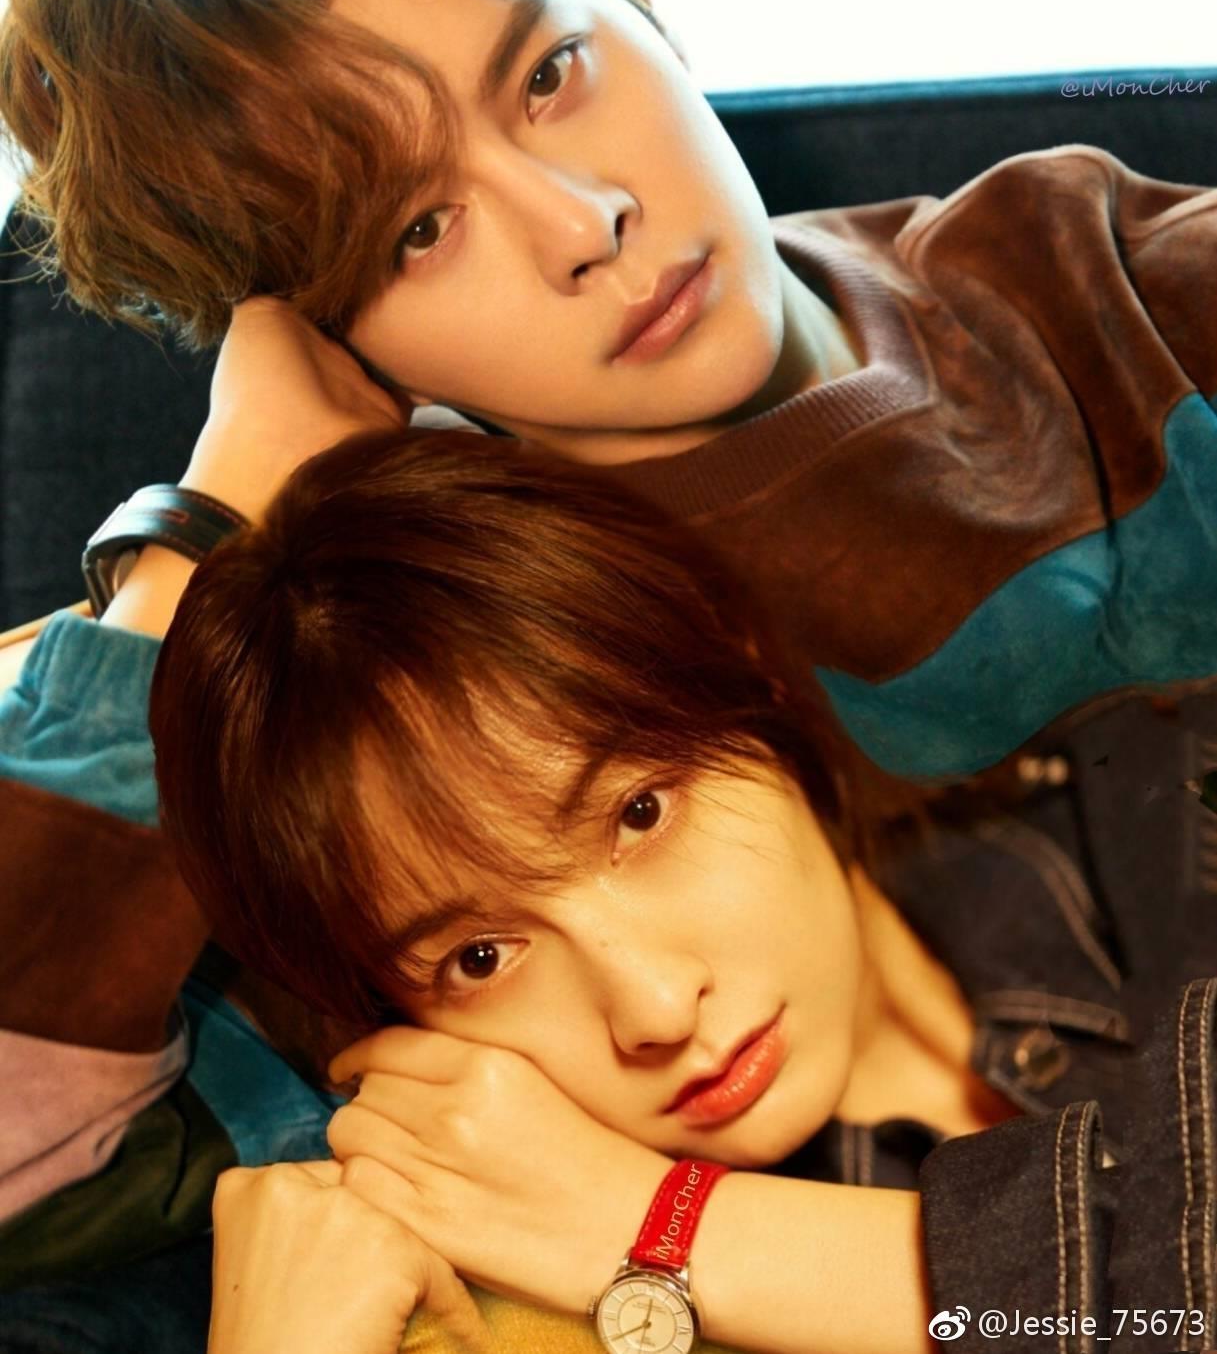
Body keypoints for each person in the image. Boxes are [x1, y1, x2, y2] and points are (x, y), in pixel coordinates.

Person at [0, 0, 1215, 1276]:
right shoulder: (419, 663)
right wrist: (205, 528)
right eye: (416, 228)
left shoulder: (1103, 276)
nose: (582, 222)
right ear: (317, 333)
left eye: (548, 73)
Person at [148, 428, 1217, 1354]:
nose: (655, 1008)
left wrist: (662, 1225)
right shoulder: (541, 1304)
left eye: (639, 813)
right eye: (480, 958)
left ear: (741, 667)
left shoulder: (1176, 805)